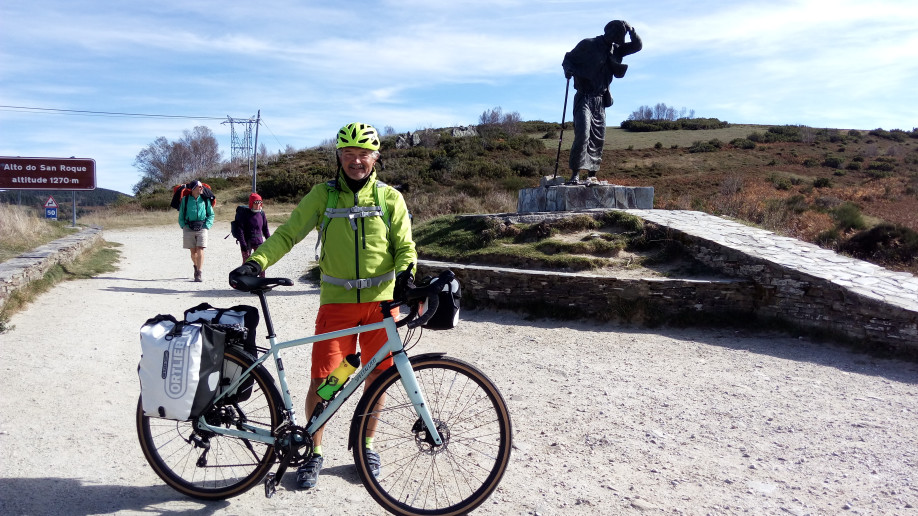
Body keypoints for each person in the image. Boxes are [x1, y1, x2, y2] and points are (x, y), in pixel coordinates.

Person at [228, 122, 417, 489]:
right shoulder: (323, 195)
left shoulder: (389, 198)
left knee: (378, 379)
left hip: (381, 308)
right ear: (339, 157)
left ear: (375, 158)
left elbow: (405, 246)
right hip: (338, 308)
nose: (356, 161)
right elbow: (287, 234)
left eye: (363, 154)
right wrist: (257, 262)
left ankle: (366, 447)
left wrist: (407, 277)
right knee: (326, 381)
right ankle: (314, 452)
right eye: (348, 154)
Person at [562, 20, 642, 183]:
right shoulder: (588, 44)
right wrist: (568, 70)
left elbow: (637, 46)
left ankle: (592, 175)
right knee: (583, 134)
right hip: (584, 96)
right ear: (612, 32)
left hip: (600, 99)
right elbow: (568, 59)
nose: (623, 38)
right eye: (622, 34)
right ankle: (575, 174)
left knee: (598, 138)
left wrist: (632, 30)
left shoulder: (616, 50)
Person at [178, 180, 214, 282]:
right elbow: (181, 215)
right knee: (193, 252)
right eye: (199, 187)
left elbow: (211, 214)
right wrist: (183, 226)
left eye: (202, 187)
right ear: (193, 189)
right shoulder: (185, 200)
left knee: (200, 249)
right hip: (188, 228)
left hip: (202, 227)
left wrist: (207, 225)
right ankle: (195, 265)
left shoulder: (205, 200)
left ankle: (199, 272)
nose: (201, 188)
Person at [235, 192, 271, 275]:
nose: (258, 205)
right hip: (247, 242)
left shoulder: (262, 214)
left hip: (259, 242)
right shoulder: (245, 214)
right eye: (256, 203)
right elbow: (240, 230)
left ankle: (262, 281)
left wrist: (269, 241)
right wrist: (243, 244)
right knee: (246, 264)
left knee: (261, 263)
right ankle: (244, 281)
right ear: (251, 203)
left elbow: (265, 229)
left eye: (260, 203)